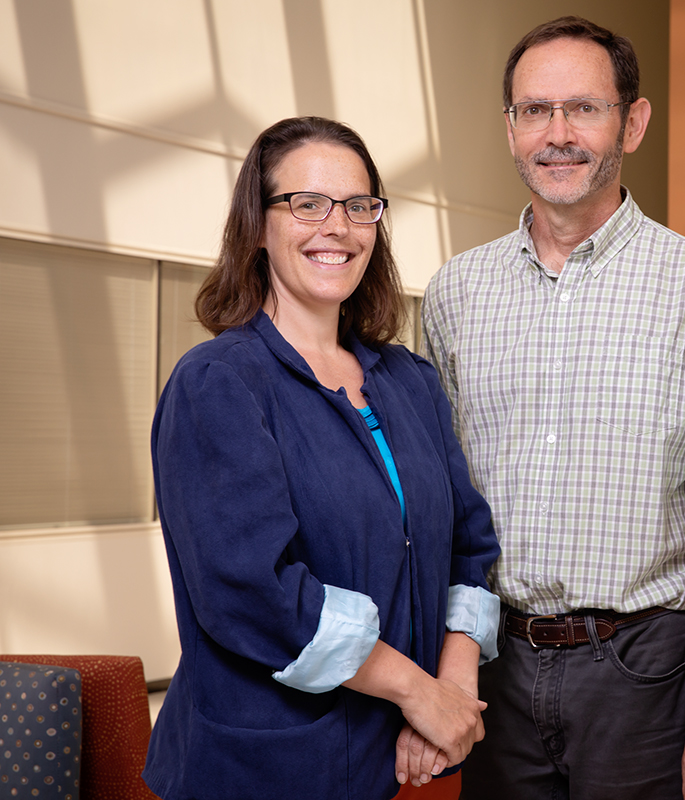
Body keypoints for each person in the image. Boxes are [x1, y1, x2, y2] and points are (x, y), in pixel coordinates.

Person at [421, 16, 685, 800]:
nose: (558, 134)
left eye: (584, 108)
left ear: (633, 122)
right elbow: (438, 497)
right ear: (509, 129)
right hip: (492, 661)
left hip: (646, 667)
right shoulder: (455, 294)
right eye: (535, 111)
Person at [144, 116, 501, 800]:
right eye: (306, 203)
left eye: (358, 205)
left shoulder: (410, 381)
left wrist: (450, 693)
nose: (336, 226)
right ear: (257, 225)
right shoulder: (219, 383)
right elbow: (255, 591)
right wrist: (416, 691)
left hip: (389, 762)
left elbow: (468, 547)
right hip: (260, 771)